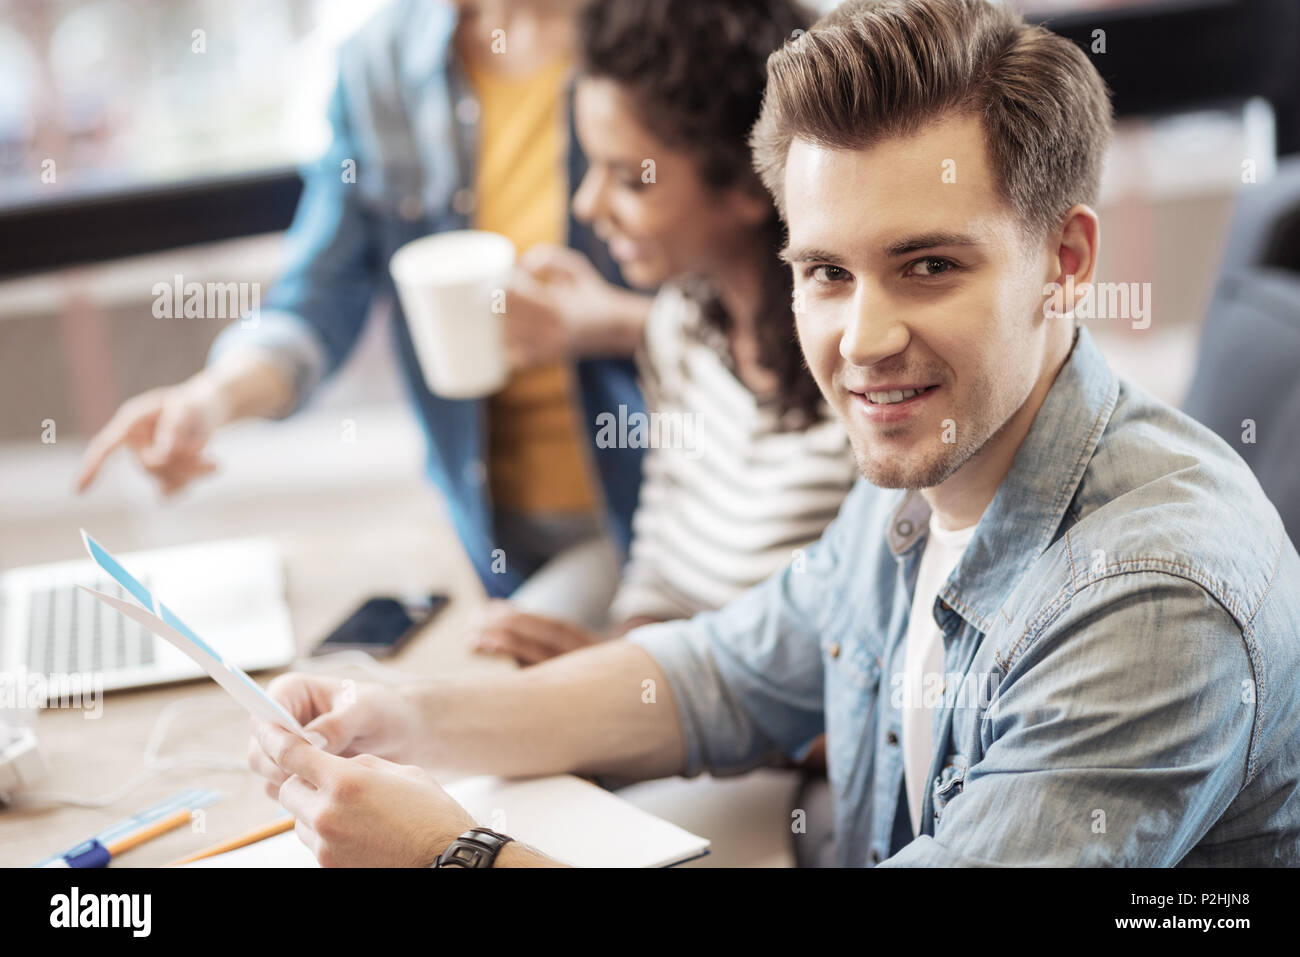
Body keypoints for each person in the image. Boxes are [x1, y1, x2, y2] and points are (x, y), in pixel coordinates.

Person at [248, 0, 1300, 867]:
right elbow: (722, 674)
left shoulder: (1151, 599)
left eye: (929, 266)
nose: (863, 340)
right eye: (826, 274)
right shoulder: (922, 463)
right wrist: (401, 717)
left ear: (1065, 262)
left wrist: (452, 855)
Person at [73, 0, 655, 613]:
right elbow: (319, 296)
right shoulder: (382, 61)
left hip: (650, 509)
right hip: (482, 527)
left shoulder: (658, 38)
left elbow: (754, 309)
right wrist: (212, 398)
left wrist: (610, 326)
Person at [465, 0, 857, 668]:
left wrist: (634, 686)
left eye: (628, 178)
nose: (587, 207)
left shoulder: (862, 379)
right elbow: (659, 572)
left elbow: (848, 692)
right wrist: (613, 658)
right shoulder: (678, 325)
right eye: (591, 168)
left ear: (748, 182)